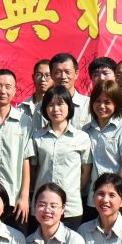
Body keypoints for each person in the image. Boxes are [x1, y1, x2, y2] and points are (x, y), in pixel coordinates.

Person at [0, 69, 36, 230]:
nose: (2, 91)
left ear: (15, 90)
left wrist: (24, 197)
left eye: (7, 86)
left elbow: (26, 160)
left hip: (14, 198)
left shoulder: (25, 122)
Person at [30, 86, 93, 229]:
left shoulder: (81, 137)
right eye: (50, 105)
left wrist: (73, 190)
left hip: (71, 206)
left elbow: (86, 171)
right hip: (42, 206)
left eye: (60, 104)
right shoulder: (37, 137)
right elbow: (32, 170)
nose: (55, 109)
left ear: (69, 106)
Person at [84, 80, 122, 212]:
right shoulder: (86, 130)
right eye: (98, 101)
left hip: (121, 200)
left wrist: (118, 194)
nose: (102, 106)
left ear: (116, 104)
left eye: (107, 102)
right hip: (96, 198)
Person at [47, 53, 91, 130]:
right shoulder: (43, 106)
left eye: (67, 72)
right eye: (58, 72)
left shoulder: (89, 105)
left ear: (76, 74)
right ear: (51, 75)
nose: (63, 77)